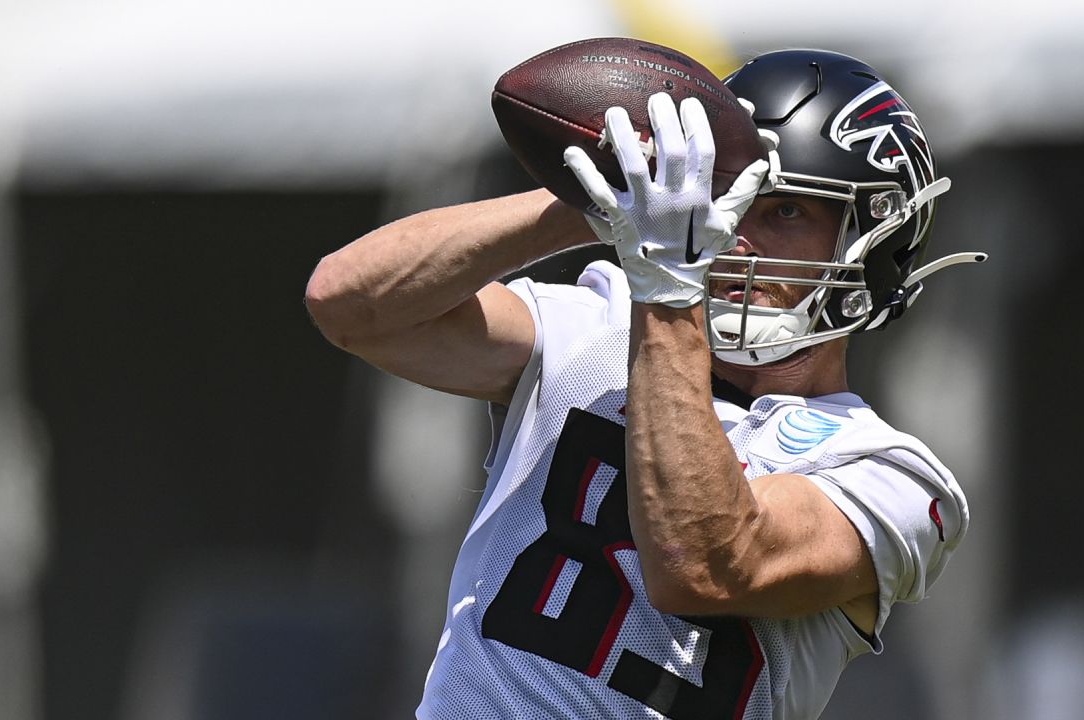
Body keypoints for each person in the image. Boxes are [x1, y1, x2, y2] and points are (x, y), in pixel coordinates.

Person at [306, 48, 984, 720]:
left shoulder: (891, 477)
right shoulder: (598, 323)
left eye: (783, 213)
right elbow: (352, 306)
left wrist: (668, 291)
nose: (732, 233)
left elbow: (706, 564)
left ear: (876, 246)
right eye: (722, 194)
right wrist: (594, 197)